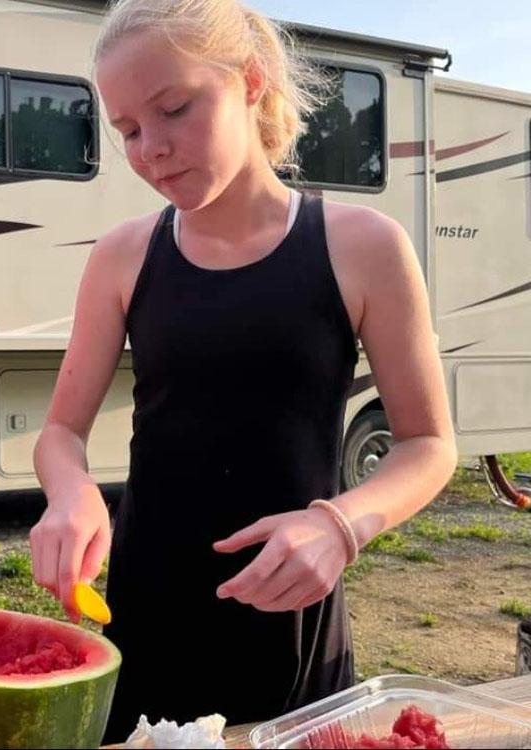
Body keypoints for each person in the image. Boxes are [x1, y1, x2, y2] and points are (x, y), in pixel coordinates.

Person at [28, 0, 457, 742]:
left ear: (250, 81)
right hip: (146, 617)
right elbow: (61, 430)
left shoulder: (363, 245)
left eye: (174, 109)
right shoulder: (124, 255)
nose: (150, 149)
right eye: (128, 129)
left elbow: (428, 444)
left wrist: (341, 526)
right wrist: (71, 497)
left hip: (290, 629)